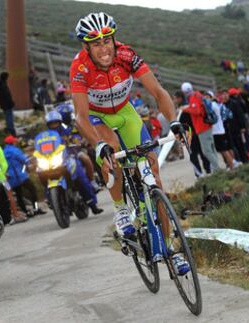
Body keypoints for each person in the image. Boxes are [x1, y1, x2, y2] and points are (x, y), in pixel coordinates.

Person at [70, 12, 188, 274]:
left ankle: (170, 248)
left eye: (107, 40)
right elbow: (80, 115)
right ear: (86, 46)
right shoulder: (80, 67)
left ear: (114, 39)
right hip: (96, 117)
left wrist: (174, 121)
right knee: (111, 148)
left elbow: (157, 92)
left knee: (154, 180)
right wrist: (98, 145)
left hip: (125, 112)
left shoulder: (127, 55)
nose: (104, 48)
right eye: (96, 43)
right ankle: (121, 209)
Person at [45, 111, 103, 215]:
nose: (54, 126)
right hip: (53, 160)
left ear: (60, 122)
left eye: (56, 123)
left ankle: (92, 204)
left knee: (81, 176)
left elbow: (77, 139)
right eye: (51, 124)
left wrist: (76, 142)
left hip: (69, 156)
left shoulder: (68, 131)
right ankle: (50, 199)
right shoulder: (46, 137)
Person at [180, 82, 220, 172]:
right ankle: (217, 167)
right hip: (207, 126)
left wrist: (185, 109)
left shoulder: (194, 97)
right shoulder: (198, 95)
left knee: (207, 151)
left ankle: (218, 169)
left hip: (202, 128)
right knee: (212, 149)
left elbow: (197, 111)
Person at [3, 135, 46, 218]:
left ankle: (26, 212)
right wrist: (29, 164)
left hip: (12, 178)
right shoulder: (15, 150)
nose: (16, 142)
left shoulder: (3, 152)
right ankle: (36, 208)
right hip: (21, 175)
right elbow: (23, 159)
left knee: (19, 195)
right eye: (14, 141)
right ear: (12, 143)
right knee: (32, 189)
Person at [204, 91, 234, 169]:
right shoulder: (215, 104)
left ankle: (232, 166)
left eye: (207, 97)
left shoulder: (212, 105)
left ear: (211, 97)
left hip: (217, 132)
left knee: (224, 151)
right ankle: (232, 164)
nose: (206, 99)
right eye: (205, 97)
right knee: (225, 150)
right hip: (220, 131)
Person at [0, 72, 16, 136]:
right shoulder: (3, 85)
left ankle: (9, 131)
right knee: (9, 118)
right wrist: (12, 103)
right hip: (8, 105)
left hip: (3, 105)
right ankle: (12, 132)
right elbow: (7, 96)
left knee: (7, 117)